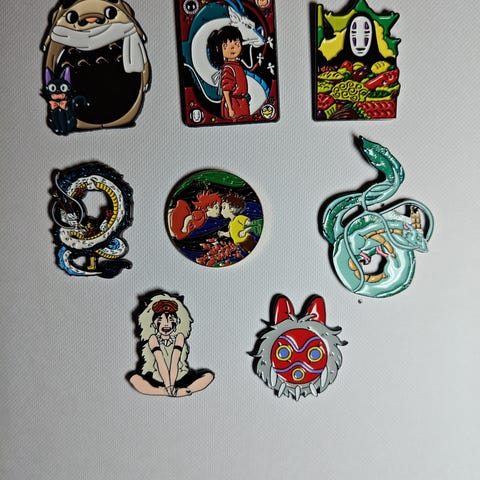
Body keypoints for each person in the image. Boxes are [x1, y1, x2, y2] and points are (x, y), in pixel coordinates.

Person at [129, 293, 214, 397]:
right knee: (134, 379)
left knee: (208, 376)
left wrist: (172, 384)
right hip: (157, 377)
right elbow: (160, 360)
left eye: (170, 319)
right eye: (160, 320)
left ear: (177, 322)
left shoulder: (179, 337)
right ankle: (166, 392)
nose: (166, 324)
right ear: (153, 324)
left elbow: (175, 361)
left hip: (179, 376)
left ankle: (185, 390)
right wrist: (168, 386)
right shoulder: (153, 339)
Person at [207, 26, 250, 120]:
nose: (233, 48)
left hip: (241, 103)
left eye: (237, 43)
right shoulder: (228, 68)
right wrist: (230, 109)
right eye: (226, 45)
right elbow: (226, 90)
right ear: (218, 48)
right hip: (233, 103)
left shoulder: (237, 65)